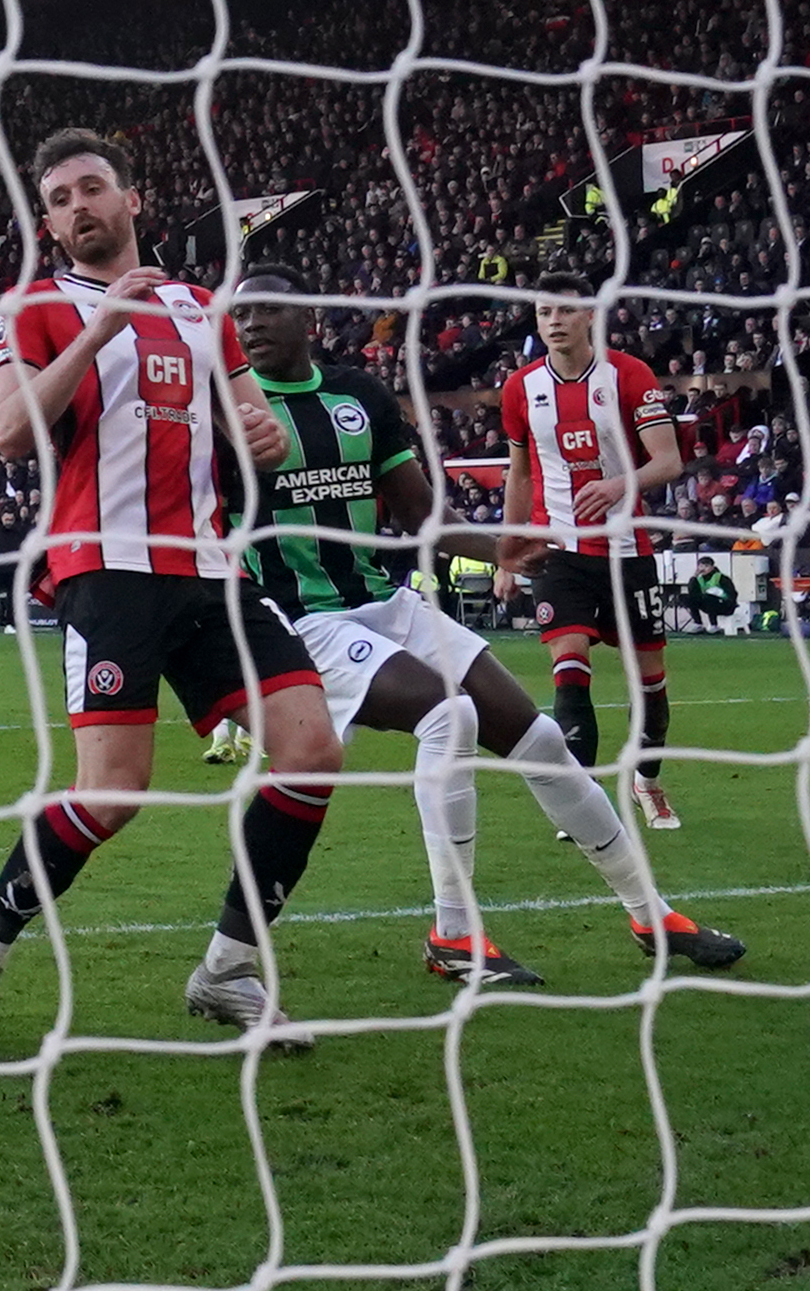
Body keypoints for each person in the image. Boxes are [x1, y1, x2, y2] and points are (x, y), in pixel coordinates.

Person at [227, 272, 739, 985]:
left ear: (307, 315)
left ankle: (651, 914)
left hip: (384, 601)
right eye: (238, 313)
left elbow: (419, 515)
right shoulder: (228, 412)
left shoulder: (360, 398)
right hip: (302, 619)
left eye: (264, 309)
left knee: (542, 743)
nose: (248, 324)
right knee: (449, 717)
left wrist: (496, 547)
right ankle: (454, 933)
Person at [0, 129, 329, 1053]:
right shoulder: (35, 306)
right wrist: (100, 329)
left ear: (133, 200)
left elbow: (253, 417)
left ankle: (228, 971)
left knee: (311, 751)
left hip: (206, 566)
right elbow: (7, 431)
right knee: (113, 795)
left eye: (92, 189)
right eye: (61, 198)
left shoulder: (203, 307)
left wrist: (265, 434)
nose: (79, 207)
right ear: (48, 221)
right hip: (105, 569)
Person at [497, 283, 685, 830]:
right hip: (559, 551)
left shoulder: (629, 376)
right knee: (569, 666)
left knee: (650, 679)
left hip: (629, 551)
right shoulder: (520, 388)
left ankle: (647, 781)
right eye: (544, 312)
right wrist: (508, 553)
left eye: (566, 310)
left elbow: (668, 462)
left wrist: (618, 485)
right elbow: (521, 473)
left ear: (591, 316)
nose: (554, 321)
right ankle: (583, 804)